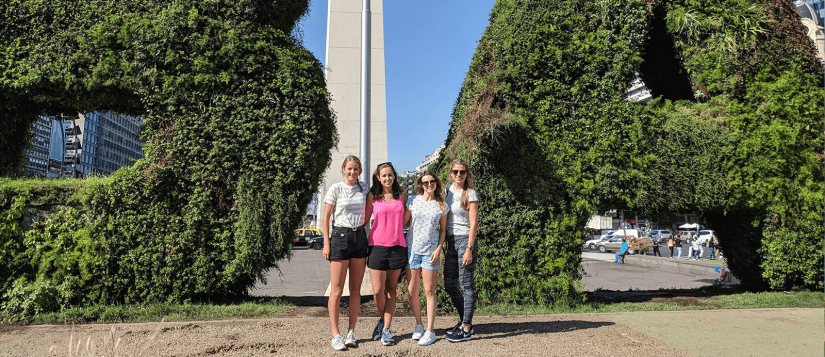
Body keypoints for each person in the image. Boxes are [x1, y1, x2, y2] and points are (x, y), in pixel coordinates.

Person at [322, 155, 369, 351]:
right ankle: (336, 334)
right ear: (343, 169)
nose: (352, 172)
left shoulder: (364, 188)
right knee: (337, 290)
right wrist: (327, 243)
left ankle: (351, 332)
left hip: (359, 238)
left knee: (356, 290)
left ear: (359, 171)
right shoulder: (336, 188)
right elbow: (326, 217)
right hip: (340, 237)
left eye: (356, 169)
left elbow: (379, 198)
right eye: (349, 169)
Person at [403, 171, 448, 346]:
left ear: (436, 183)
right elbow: (405, 222)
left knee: (429, 291)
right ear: (421, 185)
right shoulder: (413, 201)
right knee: (412, 290)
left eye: (432, 182)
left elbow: (443, 230)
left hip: (430, 252)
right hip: (412, 251)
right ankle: (419, 325)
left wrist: (438, 249)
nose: (429, 185)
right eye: (425, 182)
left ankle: (430, 330)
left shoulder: (442, 205)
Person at [366, 162, 407, 346]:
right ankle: (383, 319)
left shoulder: (402, 194)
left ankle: (386, 329)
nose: (388, 178)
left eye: (390, 175)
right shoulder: (373, 196)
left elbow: (406, 219)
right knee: (377, 291)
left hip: (398, 246)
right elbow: (365, 219)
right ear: (378, 177)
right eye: (384, 176)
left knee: (391, 289)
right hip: (376, 247)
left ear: (394, 176)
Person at [444, 159, 479, 343]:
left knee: (466, 285)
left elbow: (473, 224)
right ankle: (464, 321)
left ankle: (466, 328)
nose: (459, 175)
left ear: (467, 174)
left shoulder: (470, 193)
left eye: (462, 172)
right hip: (450, 241)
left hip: (464, 241)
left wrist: (469, 249)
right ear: (451, 173)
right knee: (449, 285)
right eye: (456, 171)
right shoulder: (448, 190)